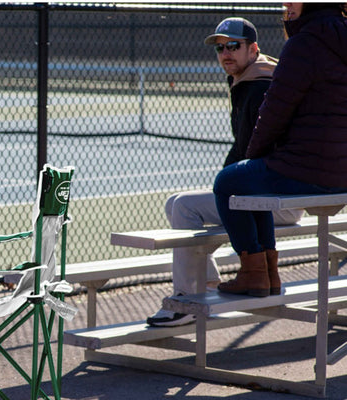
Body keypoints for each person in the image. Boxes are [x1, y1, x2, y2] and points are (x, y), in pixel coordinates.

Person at [147, 16, 304, 326]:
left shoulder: (258, 87)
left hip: (277, 199)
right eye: (220, 48)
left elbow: (249, 152)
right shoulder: (252, 78)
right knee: (176, 202)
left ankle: (183, 302)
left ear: (253, 48)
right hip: (276, 192)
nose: (225, 53)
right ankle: (204, 287)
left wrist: (225, 184)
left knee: (182, 206)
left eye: (233, 46)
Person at [213, 3, 347, 297]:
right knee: (250, 184)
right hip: (341, 172)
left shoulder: (305, 44)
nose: (286, 4)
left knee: (227, 182)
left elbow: (275, 110)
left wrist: (255, 154)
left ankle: (255, 273)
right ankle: (267, 273)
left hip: (308, 167)